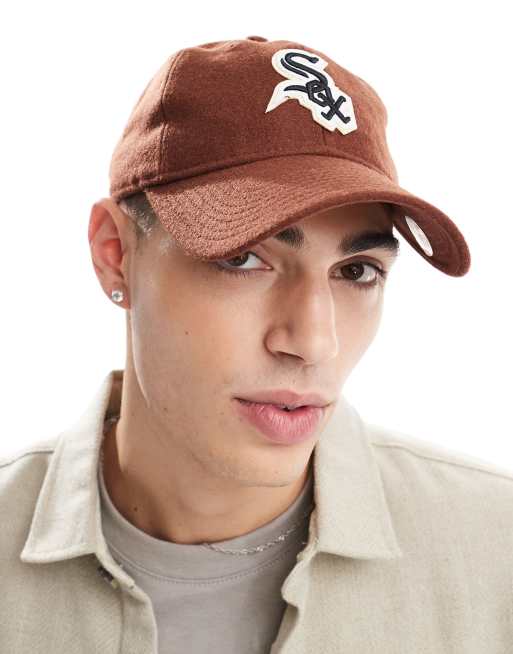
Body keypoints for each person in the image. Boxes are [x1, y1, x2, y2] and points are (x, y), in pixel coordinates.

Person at [1, 36, 512, 654]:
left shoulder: (496, 550)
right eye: (244, 259)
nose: (313, 342)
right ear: (116, 255)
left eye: (357, 271)